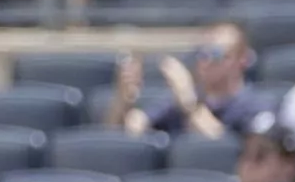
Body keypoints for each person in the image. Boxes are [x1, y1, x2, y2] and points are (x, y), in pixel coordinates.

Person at [111, 23, 276, 138]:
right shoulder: (178, 103)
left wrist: (189, 102)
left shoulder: (255, 106)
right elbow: (133, 127)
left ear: (242, 60)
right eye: (202, 53)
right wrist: (124, 102)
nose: (206, 61)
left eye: (216, 54)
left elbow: (224, 149)